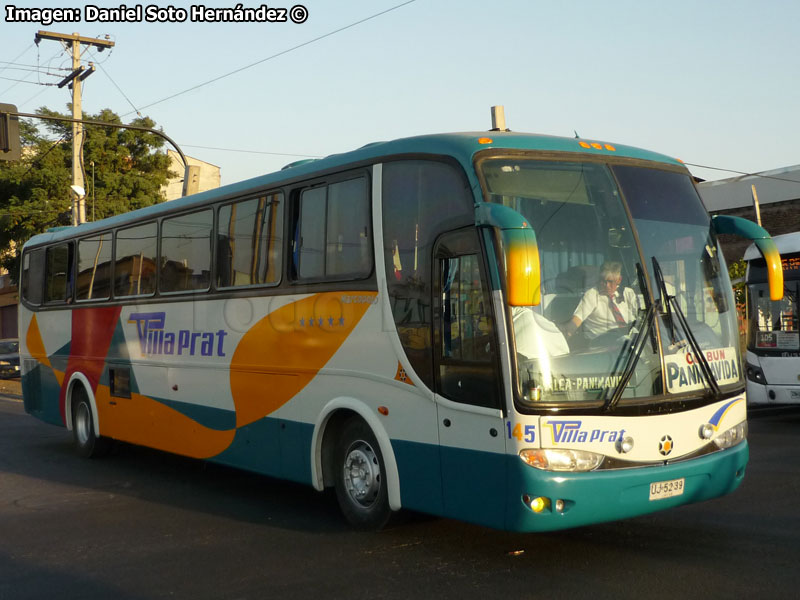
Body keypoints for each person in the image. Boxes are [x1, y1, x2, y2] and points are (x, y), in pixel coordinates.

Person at [565, 261, 638, 340]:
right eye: (603, 281)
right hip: (603, 343)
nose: (606, 285)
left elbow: (642, 317)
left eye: (610, 282)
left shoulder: (628, 293)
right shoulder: (592, 295)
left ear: (619, 280)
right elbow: (575, 321)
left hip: (632, 341)